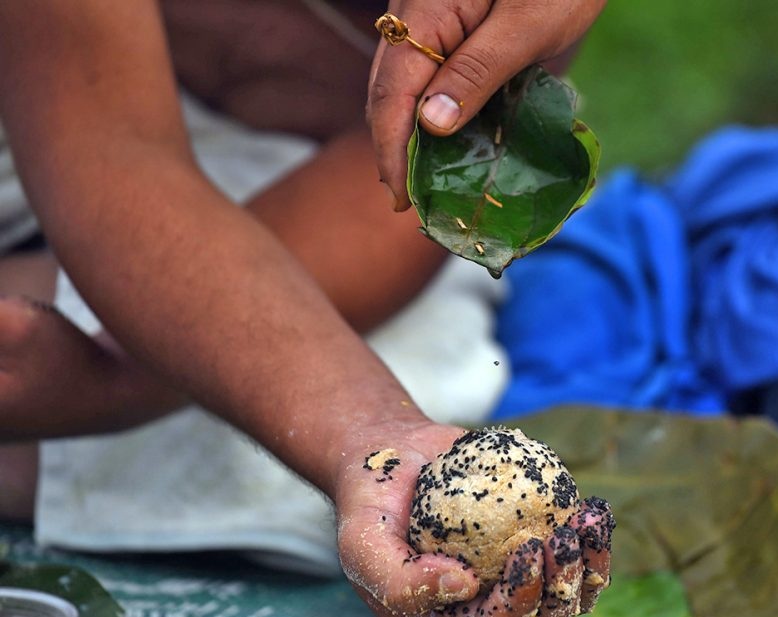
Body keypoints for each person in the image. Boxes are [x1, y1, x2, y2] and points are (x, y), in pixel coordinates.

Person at [0, 1, 612, 616]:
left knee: (428, 368)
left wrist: (370, 436)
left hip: (280, 177)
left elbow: (392, 203)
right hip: (52, 107)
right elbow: (115, 150)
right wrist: (138, 364)